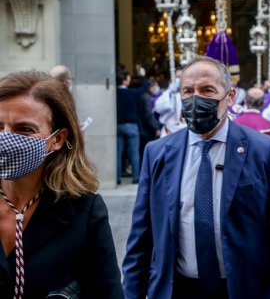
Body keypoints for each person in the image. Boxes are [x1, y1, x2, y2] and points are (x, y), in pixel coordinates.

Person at [122, 56, 270, 298]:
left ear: (230, 97)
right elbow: (140, 240)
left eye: (207, 90)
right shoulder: (156, 153)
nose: (196, 98)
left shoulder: (264, 150)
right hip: (177, 289)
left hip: (243, 290)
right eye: (188, 91)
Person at [0, 71, 122, 298]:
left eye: (24, 129)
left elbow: (107, 291)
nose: (6, 138)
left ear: (57, 139)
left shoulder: (84, 211)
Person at [234, 87, 270, 170]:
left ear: (245, 101)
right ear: (263, 103)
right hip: (261, 174)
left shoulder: (233, 124)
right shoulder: (269, 127)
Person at [116, 70, 147, 185]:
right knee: (134, 152)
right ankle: (136, 178)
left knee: (118, 153)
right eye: (128, 78)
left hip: (118, 125)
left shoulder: (114, 93)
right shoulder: (131, 93)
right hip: (132, 126)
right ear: (124, 81)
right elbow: (145, 87)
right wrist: (142, 76)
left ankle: (117, 178)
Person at [154, 67, 186, 137]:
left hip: (185, 134)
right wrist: (169, 93)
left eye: (181, 77)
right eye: (177, 77)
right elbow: (158, 108)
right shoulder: (168, 93)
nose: (179, 79)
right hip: (168, 133)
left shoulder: (191, 93)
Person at [137, 79, 161, 160]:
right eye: (156, 86)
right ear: (151, 87)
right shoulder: (147, 98)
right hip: (147, 131)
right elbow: (148, 115)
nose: (157, 88)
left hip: (146, 130)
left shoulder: (146, 97)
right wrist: (156, 128)